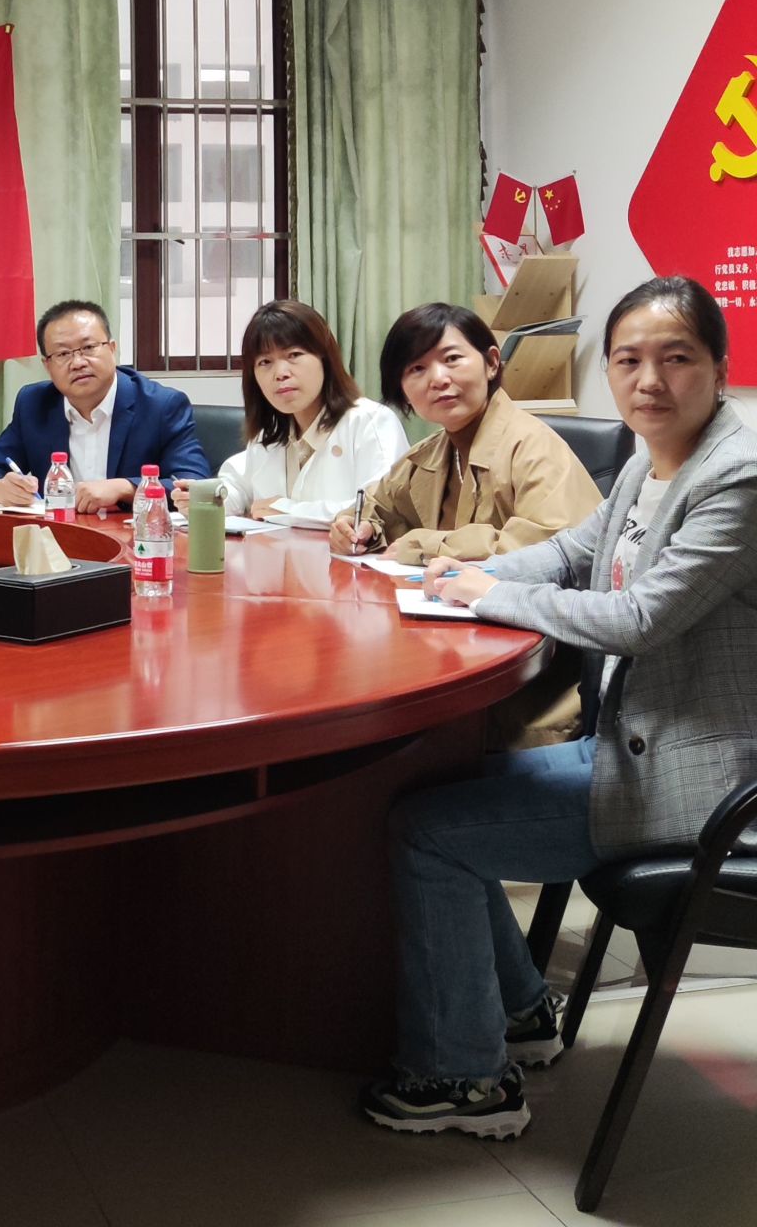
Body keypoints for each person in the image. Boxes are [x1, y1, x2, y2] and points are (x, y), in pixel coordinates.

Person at [362, 276, 757, 1140]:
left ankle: (467, 1081)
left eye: (676, 358)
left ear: (721, 368)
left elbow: (641, 617)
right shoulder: (657, 458)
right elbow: (575, 551)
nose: (649, 380)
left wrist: (490, 597)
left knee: (429, 834)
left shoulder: (739, 478)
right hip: (630, 742)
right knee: (437, 797)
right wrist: (461, 579)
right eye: (628, 360)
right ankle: (518, 1013)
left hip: (697, 783)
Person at [328, 303, 601, 564]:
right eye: (417, 368)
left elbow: (558, 548)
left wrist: (431, 546)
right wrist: (356, 528)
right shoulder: (428, 455)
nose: (438, 379)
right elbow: (374, 507)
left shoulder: (533, 446)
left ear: (491, 363)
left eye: (452, 359)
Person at [172, 299, 408, 523]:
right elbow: (237, 487)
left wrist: (287, 510)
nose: (280, 373)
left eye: (294, 355)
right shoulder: (270, 435)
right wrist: (206, 498)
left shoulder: (370, 422)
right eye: (265, 362)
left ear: (325, 359)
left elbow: (380, 510)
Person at [0, 299, 209, 508]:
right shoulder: (35, 404)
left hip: (133, 538)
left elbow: (193, 484)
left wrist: (125, 488)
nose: (78, 363)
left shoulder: (161, 406)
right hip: (61, 537)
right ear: (47, 366)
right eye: (63, 354)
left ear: (112, 349)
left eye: (88, 348)